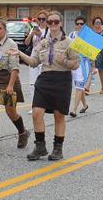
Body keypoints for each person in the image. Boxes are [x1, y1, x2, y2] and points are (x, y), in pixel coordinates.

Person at [7, 11, 79, 161]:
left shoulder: (69, 43)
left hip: (61, 80)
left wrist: (65, 62)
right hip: (45, 79)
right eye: (50, 21)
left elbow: (76, 64)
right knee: (36, 113)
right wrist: (19, 53)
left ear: (61, 23)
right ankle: (40, 147)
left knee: (59, 116)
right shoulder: (43, 42)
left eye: (56, 21)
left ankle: (58, 149)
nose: (53, 24)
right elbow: (34, 62)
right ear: (46, 23)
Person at [0, 17, 29, 154]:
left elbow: (15, 67)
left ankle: (22, 132)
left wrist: (10, 86)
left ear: (5, 30)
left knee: (10, 112)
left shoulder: (11, 45)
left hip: (9, 78)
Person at [68, 16, 92, 117]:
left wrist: (93, 67)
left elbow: (92, 52)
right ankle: (85, 105)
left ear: (85, 25)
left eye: (81, 24)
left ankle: (74, 110)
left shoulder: (88, 36)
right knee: (79, 86)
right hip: (73, 62)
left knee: (79, 86)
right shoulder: (71, 34)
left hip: (83, 63)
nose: (79, 25)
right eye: (77, 23)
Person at [24, 10, 48, 114]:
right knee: (32, 83)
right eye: (40, 19)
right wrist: (31, 34)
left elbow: (49, 44)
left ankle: (44, 105)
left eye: (44, 19)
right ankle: (34, 106)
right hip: (34, 57)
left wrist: (41, 36)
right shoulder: (34, 29)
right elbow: (26, 43)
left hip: (44, 58)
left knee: (42, 83)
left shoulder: (49, 31)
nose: (41, 21)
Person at [91, 16, 103, 94]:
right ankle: (86, 88)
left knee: (101, 70)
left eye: (99, 22)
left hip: (101, 53)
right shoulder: (92, 32)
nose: (98, 23)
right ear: (93, 23)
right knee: (90, 70)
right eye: (96, 22)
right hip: (93, 53)